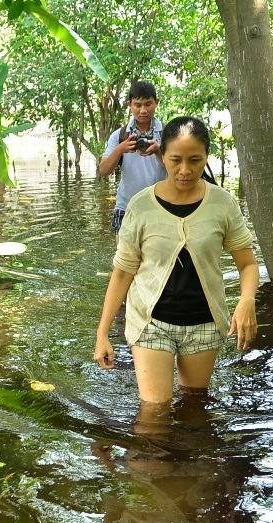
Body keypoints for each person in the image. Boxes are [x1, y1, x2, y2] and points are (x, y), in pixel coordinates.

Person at [94, 116, 260, 404]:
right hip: (150, 323)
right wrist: (102, 334)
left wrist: (247, 299)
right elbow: (122, 272)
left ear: (206, 157)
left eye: (195, 160)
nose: (185, 170)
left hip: (204, 323)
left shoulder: (222, 204)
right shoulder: (141, 206)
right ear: (162, 156)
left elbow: (247, 264)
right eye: (175, 160)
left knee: (194, 406)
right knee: (153, 413)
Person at [98, 81, 168, 234]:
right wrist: (120, 149)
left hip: (161, 207)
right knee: (123, 250)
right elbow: (103, 170)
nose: (143, 110)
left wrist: (158, 151)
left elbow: (178, 170)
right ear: (129, 104)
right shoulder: (119, 135)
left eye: (148, 104)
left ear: (156, 102)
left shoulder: (168, 133)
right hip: (126, 207)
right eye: (137, 105)